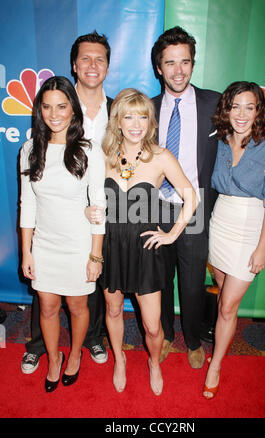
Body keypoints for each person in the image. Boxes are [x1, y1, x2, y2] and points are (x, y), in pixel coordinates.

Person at [89, 88, 198, 395]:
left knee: (152, 326)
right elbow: (88, 197)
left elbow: (191, 196)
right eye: (128, 116)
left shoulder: (161, 157)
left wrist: (172, 233)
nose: (136, 123)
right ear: (118, 121)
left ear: (151, 122)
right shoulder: (104, 156)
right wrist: (87, 209)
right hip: (110, 246)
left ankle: (153, 362)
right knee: (112, 311)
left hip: (146, 249)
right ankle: (119, 359)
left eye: (143, 116)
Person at [21, 31, 112, 374]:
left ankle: (74, 355)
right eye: (47, 106)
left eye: (62, 106)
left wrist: (94, 255)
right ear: (39, 109)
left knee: (78, 308)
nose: (54, 113)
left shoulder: (88, 151)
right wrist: (27, 251)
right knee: (45, 307)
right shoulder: (29, 150)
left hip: (78, 246)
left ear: (72, 109)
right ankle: (54, 358)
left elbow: (98, 206)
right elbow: (27, 205)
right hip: (44, 246)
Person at [203, 81, 265, 399]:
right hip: (220, 223)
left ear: (258, 111)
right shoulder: (219, 142)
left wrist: (262, 247)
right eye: (235, 106)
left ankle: (216, 365)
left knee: (227, 305)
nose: (241, 114)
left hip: (249, 230)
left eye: (249, 107)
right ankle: (219, 348)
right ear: (227, 109)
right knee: (224, 294)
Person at [151, 26, 221, 368]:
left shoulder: (215, 103)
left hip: (194, 209)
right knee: (160, 279)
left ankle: (192, 339)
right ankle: (164, 334)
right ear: (159, 68)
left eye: (185, 62)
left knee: (193, 282)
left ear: (192, 65)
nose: (178, 70)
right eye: (170, 63)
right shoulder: (146, 109)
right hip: (154, 209)